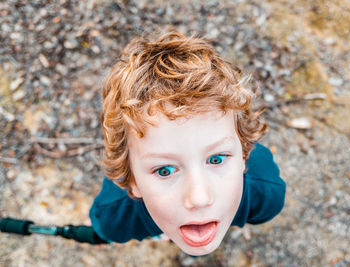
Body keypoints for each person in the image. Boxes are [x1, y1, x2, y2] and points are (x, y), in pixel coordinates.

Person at [89, 32, 286, 256]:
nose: (199, 198)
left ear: (244, 153)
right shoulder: (113, 218)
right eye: (164, 170)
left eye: (216, 159)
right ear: (130, 178)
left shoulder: (267, 195)